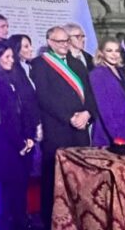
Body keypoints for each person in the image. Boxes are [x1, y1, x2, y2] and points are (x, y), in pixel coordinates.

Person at [30, 26, 96, 229]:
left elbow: (91, 94)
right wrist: (69, 118)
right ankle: (51, 218)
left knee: (80, 175)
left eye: (67, 40)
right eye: (59, 41)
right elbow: (44, 97)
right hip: (57, 129)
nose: (64, 45)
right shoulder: (40, 64)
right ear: (49, 42)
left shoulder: (78, 64)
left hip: (81, 129)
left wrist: (87, 114)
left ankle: (79, 216)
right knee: (53, 175)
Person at [0, 42, 35, 230]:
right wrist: (19, 142)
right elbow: (3, 117)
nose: (11, 61)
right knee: (7, 192)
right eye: (6, 57)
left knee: (20, 188)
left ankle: (21, 222)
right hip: (7, 145)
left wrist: (29, 136)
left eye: (12, 57)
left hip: (23, 140)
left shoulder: (14, 78)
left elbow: (25, 108)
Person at [89, 38, 125, 147]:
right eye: (109, 51)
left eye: (117, 51)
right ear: (101, 53)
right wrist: (117, 137)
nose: (114, 54)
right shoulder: (97, 74)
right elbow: (104, 109)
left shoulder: (120, 72)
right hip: (111, 134)